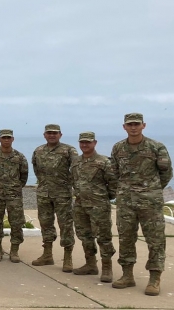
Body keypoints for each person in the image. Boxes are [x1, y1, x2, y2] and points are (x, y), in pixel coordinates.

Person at [111, 113, 172, 296]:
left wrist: (151, 190)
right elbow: (114, 173)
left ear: (143, 125)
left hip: (150, 203)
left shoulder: (156, 147)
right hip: (126, 202)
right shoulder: (118, 148)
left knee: (155, 240)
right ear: (124, 127)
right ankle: (127, 275)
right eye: (130, 124)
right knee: (126, 237)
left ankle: (154, 279)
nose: (133, 127)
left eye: (137, 124)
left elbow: (166, 173)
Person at [31, 124, 78, 272]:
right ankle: (47, 254)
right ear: (44, 135)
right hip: (44, 193)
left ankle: (68, 257)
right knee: (46, 224)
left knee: (65, 225)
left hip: (62, 194)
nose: (52, 135)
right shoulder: (38, 151)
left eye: (55, 133)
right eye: (49, 133)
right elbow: (36, 170)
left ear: (60, 135)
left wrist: (69, 185)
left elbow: (76, 169)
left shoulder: (69, 151)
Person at [70, 132, 116, 281]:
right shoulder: (76, 162)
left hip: (99, 206)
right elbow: (74, 180)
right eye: (82, 142)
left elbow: (113, 183)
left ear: (94, 143)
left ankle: (107, 268)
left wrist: (103, 197)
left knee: (103, 237)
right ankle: (90, 264)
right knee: (85, 236)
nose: (84, 145)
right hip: (80, 205)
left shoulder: (104, 162)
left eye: (88, 142)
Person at [0, 129, 28, 263]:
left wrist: (14, 187)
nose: (6, 140)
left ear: (12, 139)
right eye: (4, 138)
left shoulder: (19, 157)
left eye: (9, 138)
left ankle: (14, 250)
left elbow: (24, 176)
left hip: (14, 195)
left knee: (16, 222)